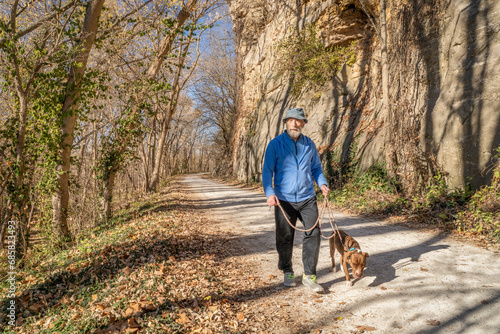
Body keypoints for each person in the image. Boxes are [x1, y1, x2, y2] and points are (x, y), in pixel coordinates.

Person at [262, 107, 330, 293]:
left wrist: (322, 183)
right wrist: (270, 193)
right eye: (291, 120)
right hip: (283, 199)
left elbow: (316, 168)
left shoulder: (309, 145)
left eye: (298, 120)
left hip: (307, 197)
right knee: (285, 237)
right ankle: (287, 270)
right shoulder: (275, 144)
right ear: (286, 122)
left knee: (313, 233)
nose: (294, 123)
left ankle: (310, 276)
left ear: (303, 124)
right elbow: (267, 172)